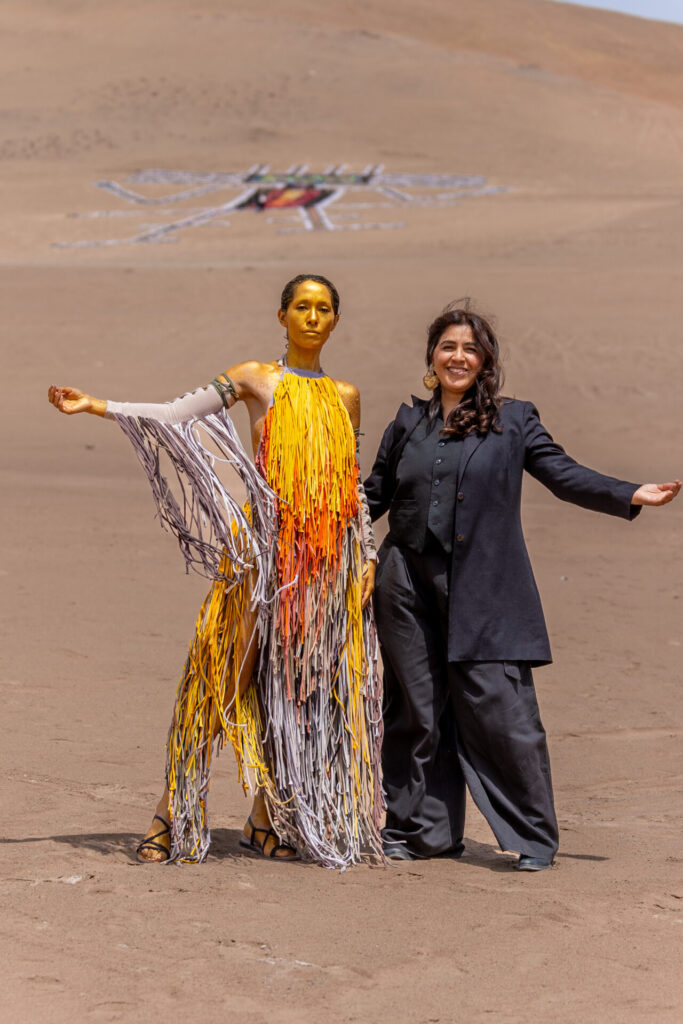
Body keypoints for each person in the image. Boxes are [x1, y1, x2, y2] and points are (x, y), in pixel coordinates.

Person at [48, 274, 383, 868]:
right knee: (223, 679)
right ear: (282, 316)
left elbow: (351, 489)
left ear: (335, 320)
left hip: (324, 568)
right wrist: (98, 405)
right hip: (260, 557)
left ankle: (264, 818)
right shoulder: (257, 377)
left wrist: (367, 557)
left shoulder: (346, 395)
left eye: (323, 308)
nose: (312, 317)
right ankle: (169, 811)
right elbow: (176, 414)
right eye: (301, 306)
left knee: (298, 692)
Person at [364, 302, 680, 871]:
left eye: (470, 349)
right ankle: (420, 832)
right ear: (432, 357)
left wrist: (630, 493)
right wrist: (307, 524)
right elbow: (374, 496)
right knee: (416, 709)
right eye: (448, 346)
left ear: (485, 361)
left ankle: (533, 838)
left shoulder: (513, 421)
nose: (458, 357)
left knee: (501, 710)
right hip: (405, 583)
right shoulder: (408, 423)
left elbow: (562, 473)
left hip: (483, 588)